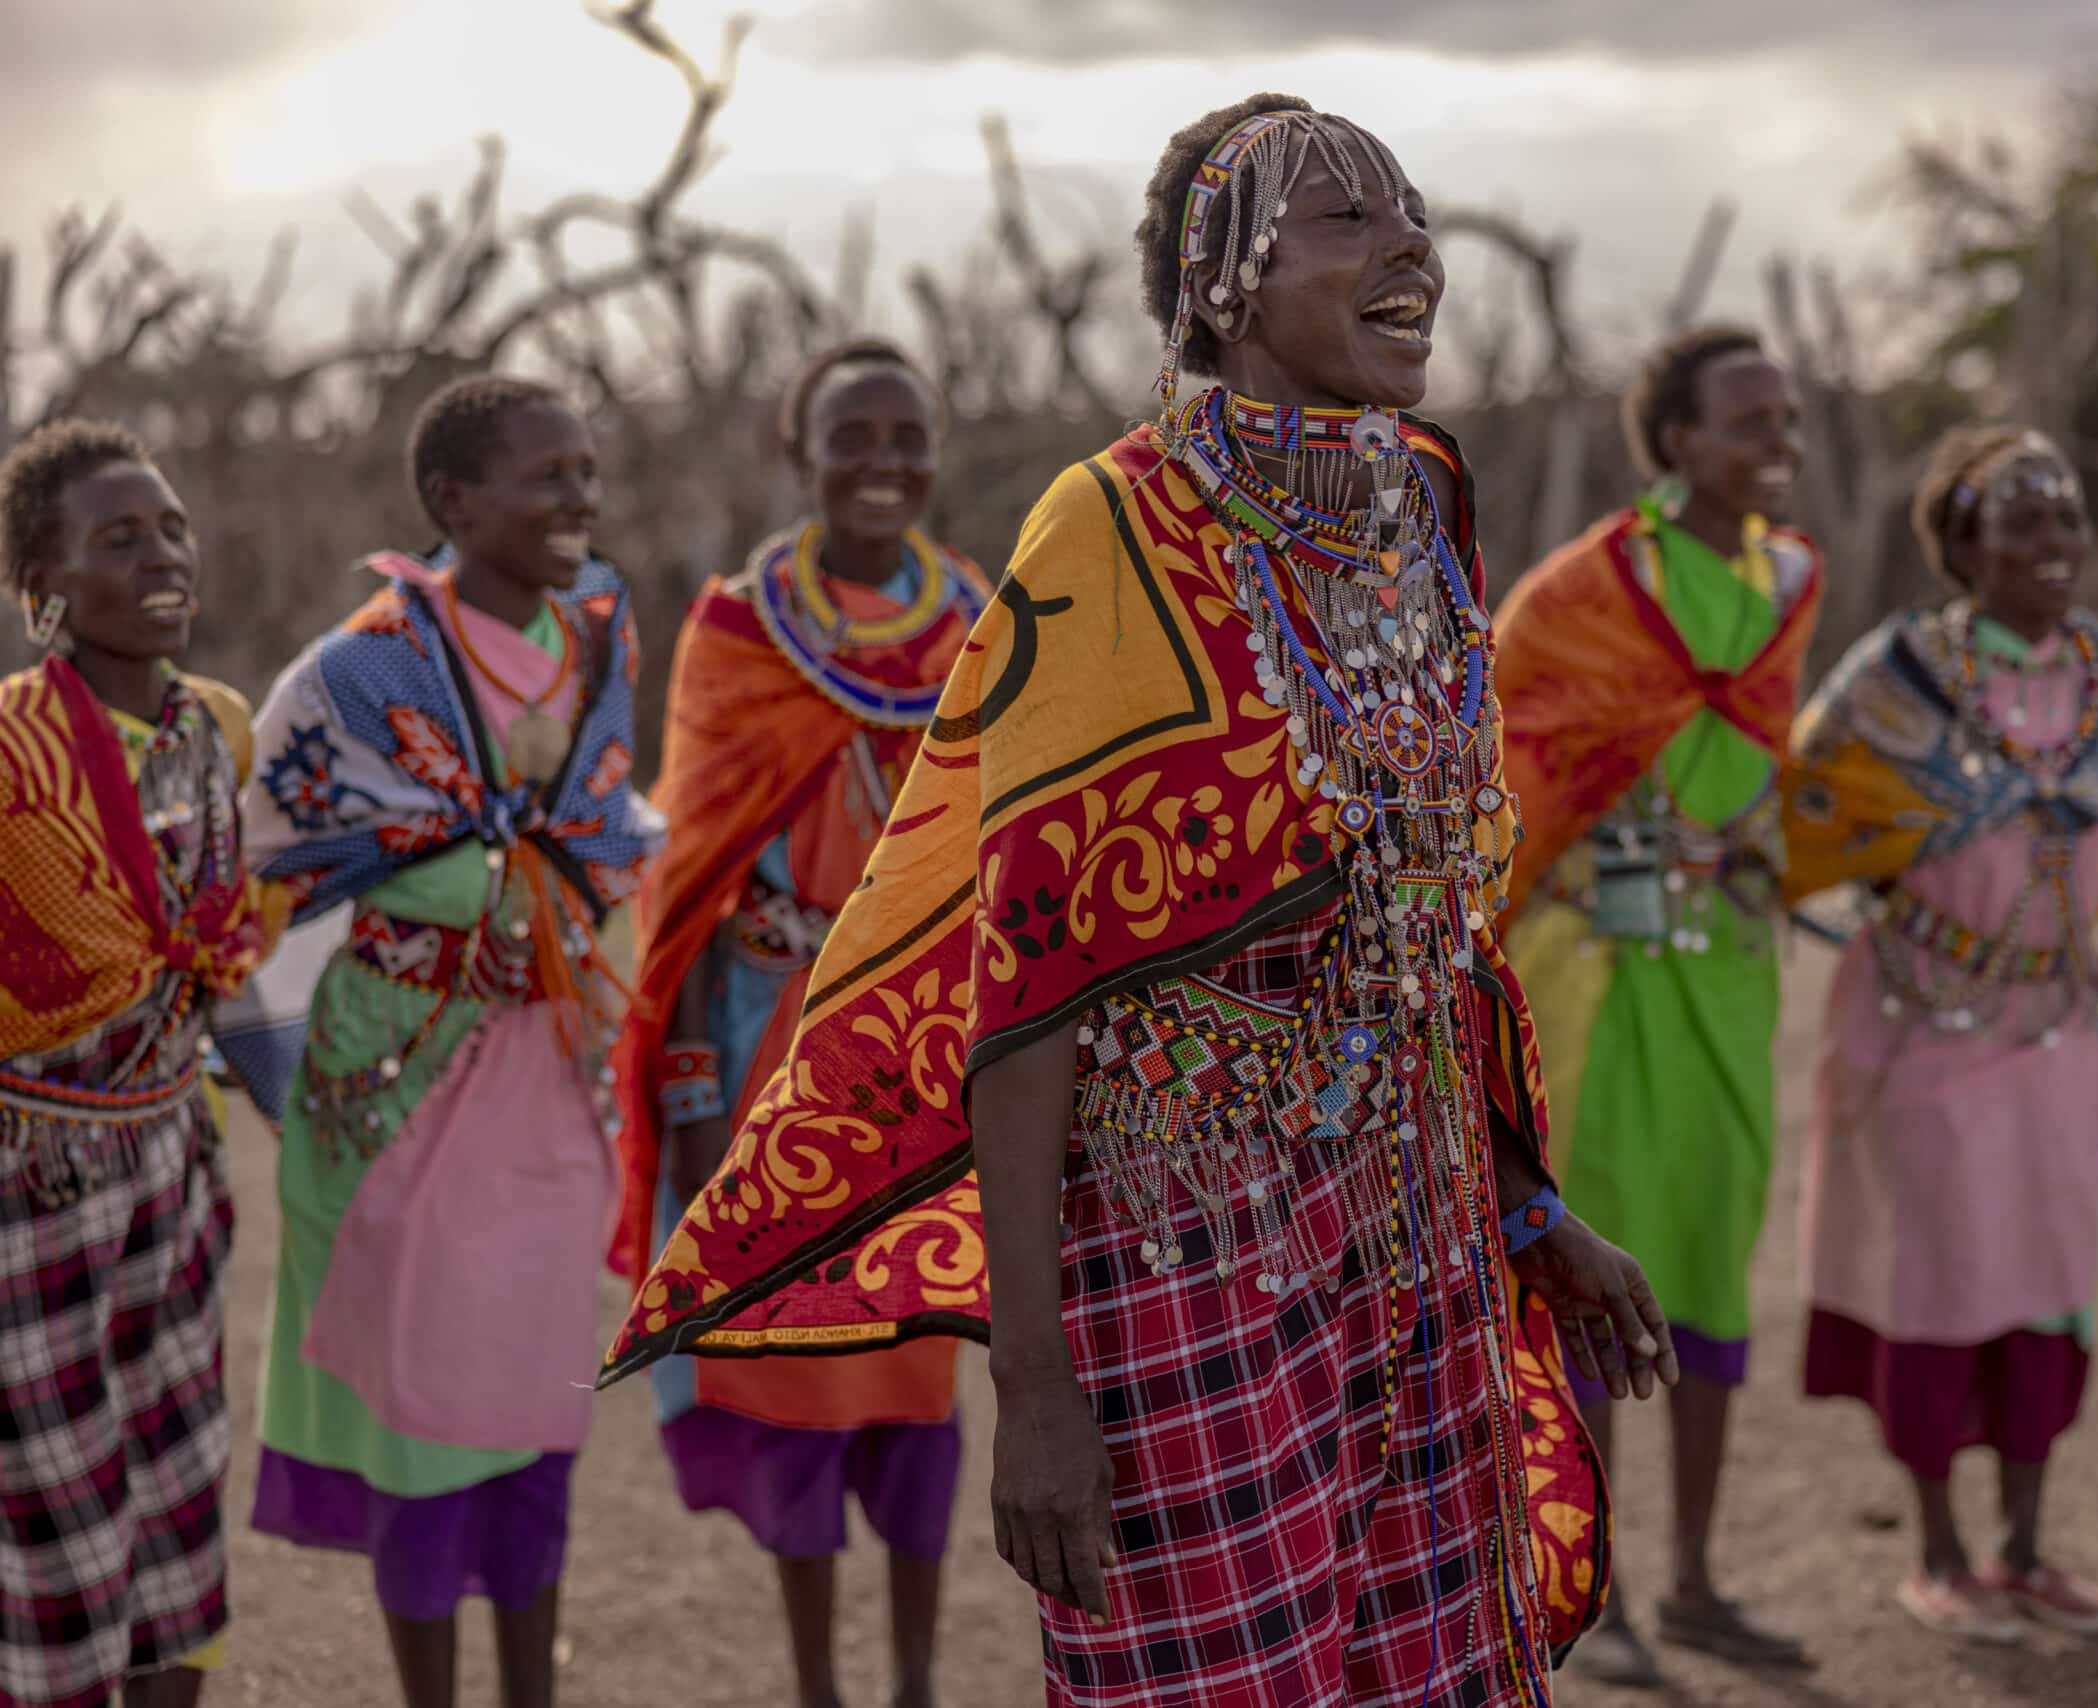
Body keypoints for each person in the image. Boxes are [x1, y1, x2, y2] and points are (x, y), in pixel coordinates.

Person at [599, 94, 1680, 1705]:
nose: (1411, 249)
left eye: (1414, 214)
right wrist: (1034, 1385)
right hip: (1190, 1251)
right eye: (1347, 220)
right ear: (1225, 276)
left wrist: (1530, 1210)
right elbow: (1026, 988)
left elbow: (1422, 928)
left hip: (1419, 1233)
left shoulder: (1411, 523)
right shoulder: (1113, 534)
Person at [239, 375, 664, 1708]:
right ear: (450, 501)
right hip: (396, 1079)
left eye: (587, 474)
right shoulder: (357, 673)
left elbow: (603, 830)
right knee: (421, 1411)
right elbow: (261, 869)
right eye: (545, 476)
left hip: (543, 1071)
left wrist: (536, 889)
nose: (577, 501)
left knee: (537, 1397)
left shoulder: (601, 636)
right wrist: (477, 893)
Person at [610, 338, 987, 1708]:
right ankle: (822, 1687)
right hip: (776, 1051)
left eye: (908, 435)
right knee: (792, 1371)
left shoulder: (983, 626)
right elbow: (694, 875)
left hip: (928, 1059)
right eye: (853, 436)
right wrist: (698, 1096)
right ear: (799, 449)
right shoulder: (738, 631)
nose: (882, 462)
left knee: (918, 1372)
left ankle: (917, 1681)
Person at [1492, 323, 1819, 1683]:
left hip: (1725, 976)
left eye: (1785, 418)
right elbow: (1506, 773)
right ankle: (1595, 1586)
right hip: (1598, 977)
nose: (1776, 443)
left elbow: (1769, 767)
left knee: (1707, 1263)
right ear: (1674, 439)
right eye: (1749, 420)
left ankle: (1692, 1580)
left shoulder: (1790, 580)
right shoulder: (1585, 593)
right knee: (1603, 1272)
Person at [1780, 426, 2098, 1643]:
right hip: (1922, 1025)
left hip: (2058, 1030)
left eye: (2066, 516)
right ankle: (1936, 1555)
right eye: (2022, 520)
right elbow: (1808, 809)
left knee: (2045, 1287)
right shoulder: (1900, 675)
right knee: (1936, 1283)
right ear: (1963, 542)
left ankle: (2027, 1548)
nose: (2053, 541)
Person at [0, 420, 284, 1708]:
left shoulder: (214, 730)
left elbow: (221, 962)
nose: (164, 553)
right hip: (34, 1189)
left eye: (171, 527)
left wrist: (296, 1114)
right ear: (41, 589)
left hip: (177, 1159)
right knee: (57, 1525)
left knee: (178, 1491)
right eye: (119, 537)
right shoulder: (12, 753)